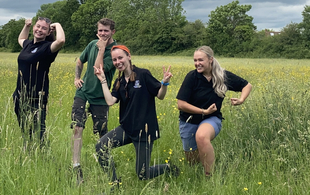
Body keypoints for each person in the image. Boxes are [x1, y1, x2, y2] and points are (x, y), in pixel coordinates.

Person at [94, 45, 179, 183]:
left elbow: (160, 95)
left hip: (144, 131)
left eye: (120, 57)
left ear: (129, 56)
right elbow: (110, 101)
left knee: (142, 174)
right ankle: (114, 183)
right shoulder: (119, 81)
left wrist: (164, 83)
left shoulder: (143, 74)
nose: (117, 62)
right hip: (127, 128)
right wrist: (103, 80)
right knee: (101, 147)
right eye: (114, 59)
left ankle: (168, 168)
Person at [176, 46, 252, 176]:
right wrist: (203, 111)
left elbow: (247, 85)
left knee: (202, 136)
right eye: (195, 60)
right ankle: (200, 172)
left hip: (212, 118)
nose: (197, 63)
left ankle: (209, 176)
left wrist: (241, 99)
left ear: (210, 60)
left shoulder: (222, 76)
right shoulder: (192, 77)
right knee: (192, 162)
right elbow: (181, 104)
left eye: (200, 60)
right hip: (188, 121)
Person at [71, 18, 117, 184]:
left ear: (113, 32)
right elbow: (79, 60)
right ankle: (76, 166)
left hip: (101, 97)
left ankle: (105, 164)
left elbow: (98, 70)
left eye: (106, 30)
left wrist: (101, 50)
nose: (102, 34)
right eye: (100, 31)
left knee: (101, 133)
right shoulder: (92, 44)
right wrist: (77, 78)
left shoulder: (115, 51)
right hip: (83, 92)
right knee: (77, 127)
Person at [13, 17, 65, 144]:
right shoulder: (28, 45)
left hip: (37, 98)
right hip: (20, 96)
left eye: (44, 28)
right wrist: (27, 26)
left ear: (48, 32)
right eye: (38, 26)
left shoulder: (48, 48)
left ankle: (44, 157)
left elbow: (61, 40)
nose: (40, 30)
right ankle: (28, 154)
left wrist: (57, 24)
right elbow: (21, 39)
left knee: (39, 134)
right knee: (25, 131)